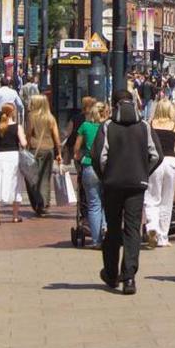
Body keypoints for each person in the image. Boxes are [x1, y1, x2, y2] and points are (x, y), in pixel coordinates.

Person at [94, 94, 161, 295]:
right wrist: (143, 172)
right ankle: (129, 276)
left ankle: (111, 273)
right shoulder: (144, 126)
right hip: (136, 185)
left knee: (113, 228)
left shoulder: (107, 126)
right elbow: (156, 154)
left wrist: (106, 176)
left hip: (113, 185)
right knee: (132, 229)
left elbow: (99, 156)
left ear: (115, 105)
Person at [143, 98, 175, 248]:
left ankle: (152, 226)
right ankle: (162, 237)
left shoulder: (150, 124)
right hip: (171, 162)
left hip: (155, 162)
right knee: (166, 201)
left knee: (151, 197)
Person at [68, 98, 107, 246]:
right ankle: (106, 229)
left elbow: (76, 149)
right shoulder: (108, 126)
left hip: (89, 166)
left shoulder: (85, 126)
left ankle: (97, 241)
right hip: (106, 167)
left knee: (93, 204)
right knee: (107, 202)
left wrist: (79, 157)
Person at [0, 102, 27, 226]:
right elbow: (24, 143)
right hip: (14, 156)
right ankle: (15, 215)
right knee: (15, 184)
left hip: (0, 156)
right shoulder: (17, 127)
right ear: (12, 113)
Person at [24, 94, 62, 218]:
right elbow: (56, 137)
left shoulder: (31, 117)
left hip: (35, 149)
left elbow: (29, 133)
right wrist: (59, 153)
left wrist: (26, 146)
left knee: (31, 178)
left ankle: (37, 203)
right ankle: (45, 203)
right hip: (49, 149)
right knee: (45, 177)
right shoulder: (50, 118)